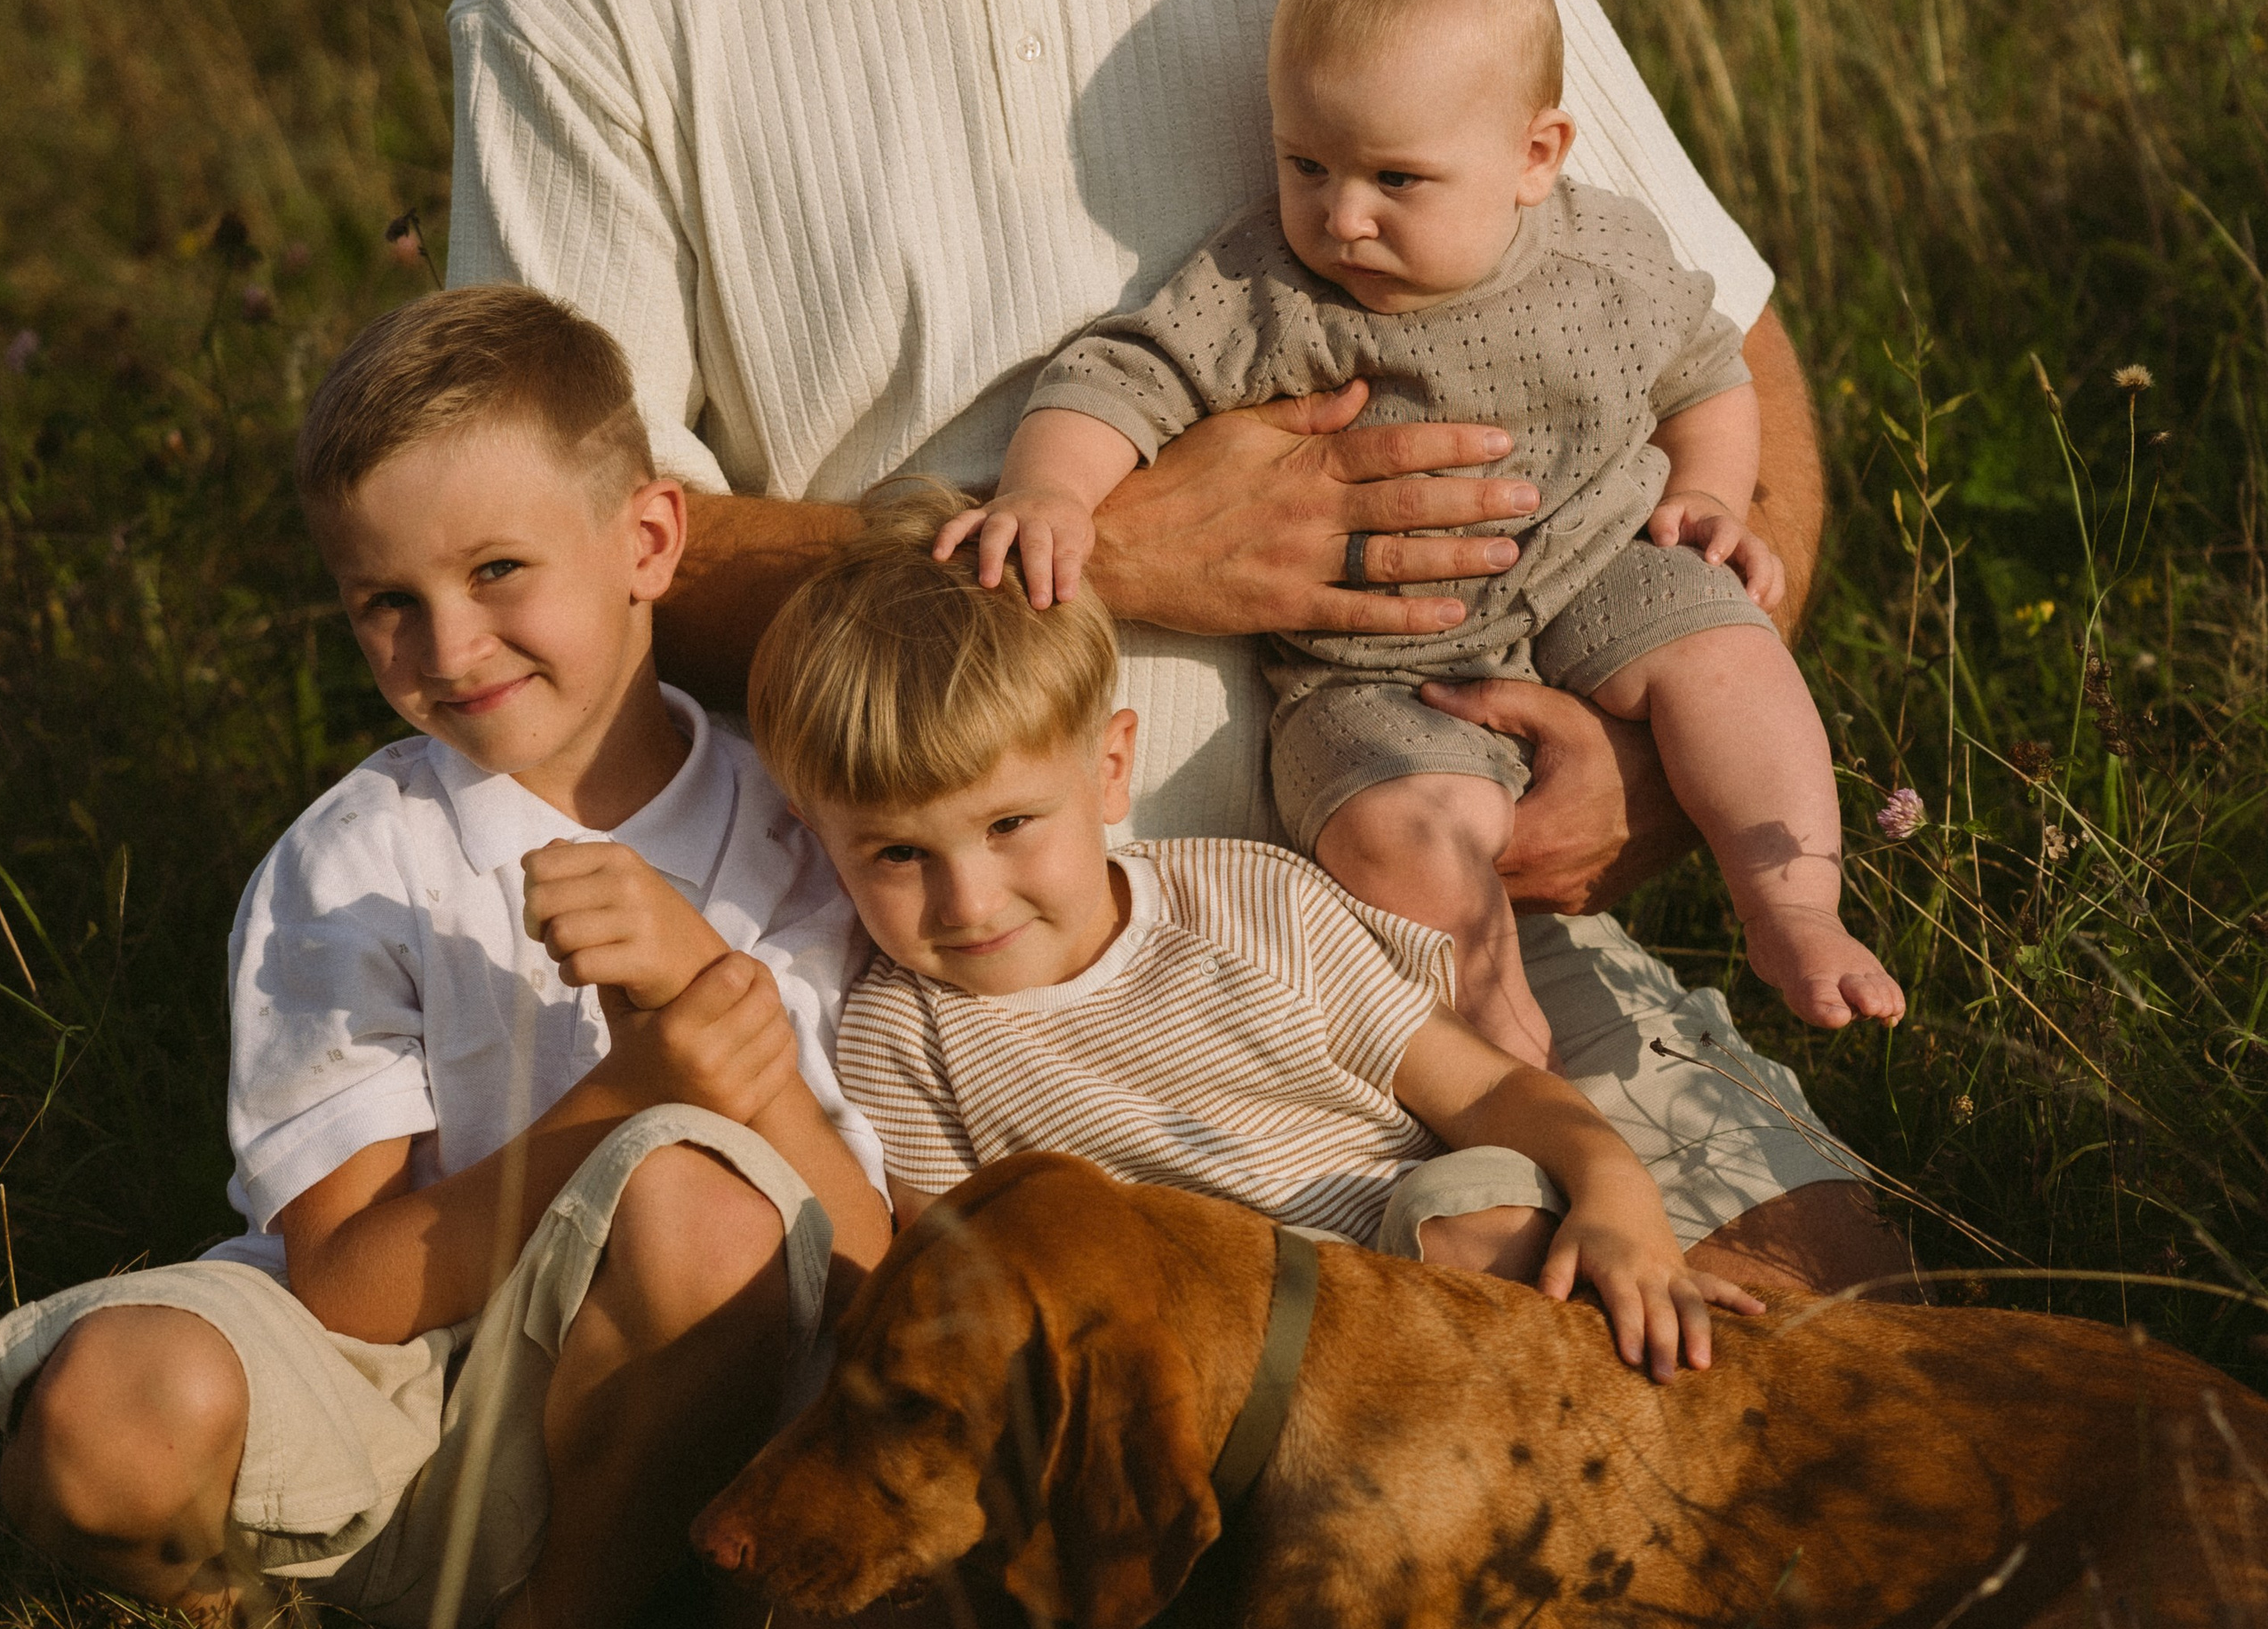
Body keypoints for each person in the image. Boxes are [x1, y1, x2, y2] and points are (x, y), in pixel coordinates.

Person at [445, 0, 1905, 1305]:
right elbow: (565, 579)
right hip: (920, 976)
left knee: (1825, 1336)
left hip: (1412, 920)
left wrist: (1648, 769)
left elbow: (1714, 334)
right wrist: (1107, 553)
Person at [0, 288, 892, 1629]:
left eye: (497, 570)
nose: (450, 642)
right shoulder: (355, 861)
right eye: (387, 601)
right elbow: (345, 1287)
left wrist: (709, 1029)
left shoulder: (805, 834)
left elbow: (867, 1264)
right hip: (388, 1397)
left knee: (700, 1200)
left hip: (680, 1416)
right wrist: (625, 1089)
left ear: (649, 540)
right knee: (107, 1415)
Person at [944, 0, 1905, 1072]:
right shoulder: (1267, 287)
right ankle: (1498, 1035)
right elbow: (1122, 376)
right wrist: (1049, 489)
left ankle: (1792, 900)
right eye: (1306, 163)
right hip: (1373, 670)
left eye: (1396, 179)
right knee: (1399, 827)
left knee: (1729, 655)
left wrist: (1708, 493)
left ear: (1534, 158)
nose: (1342, 216)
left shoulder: (1605, 258)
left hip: (1600, 564)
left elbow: (1707, 368)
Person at [741, 493, 1765, 1383]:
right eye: (897, 854)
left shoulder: (1248, 901)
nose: (966, 902)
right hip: (1218, 1368)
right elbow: (956, 1274)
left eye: (1009, 825)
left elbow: (1489, 1091)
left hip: (1422, 1267)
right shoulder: (900, 1038)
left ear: (1109, 768)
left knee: (1475, 1216)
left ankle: (1591, 1410)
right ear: (820, 836)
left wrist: (1616, 1196)